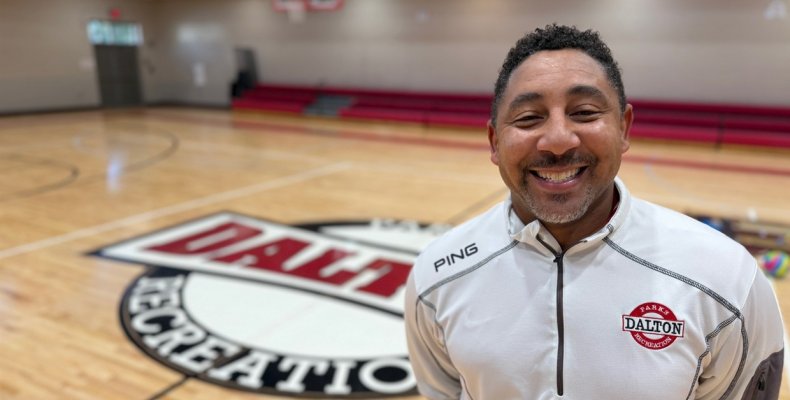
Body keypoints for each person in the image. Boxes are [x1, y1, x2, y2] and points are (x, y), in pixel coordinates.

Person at [404, 24, 784, 399]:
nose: (557, 141)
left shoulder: (728, 283)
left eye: (584, 112)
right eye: (528, 118)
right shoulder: (437, 277)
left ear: (623, 127)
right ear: (494, 141)